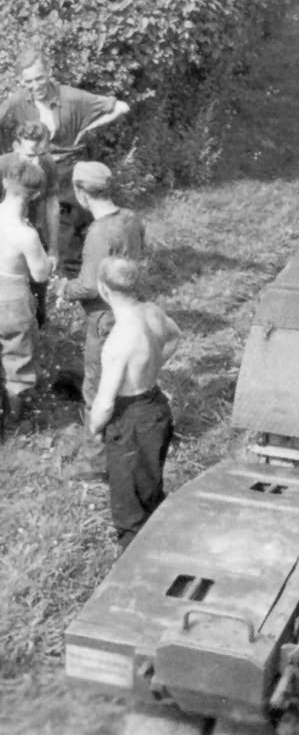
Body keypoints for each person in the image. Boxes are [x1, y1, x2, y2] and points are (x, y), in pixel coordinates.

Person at [0, 47, 130, 272]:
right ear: (22, 81)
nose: (35, 85)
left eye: (39, 78)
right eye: (28, 81)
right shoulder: (18, 101)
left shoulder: (71, 96)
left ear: (49, 72)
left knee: (69, 227)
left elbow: (121, 107)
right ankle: (38, 273)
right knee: (32, 222)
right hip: (34, 169)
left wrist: (88, 129)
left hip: (68, 170)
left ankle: (75, 281)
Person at [59, 161, 145, 479]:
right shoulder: (130, 218)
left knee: (96, 383)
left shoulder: (98, 233)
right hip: (130, 305)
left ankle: (95, 459)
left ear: (82, 193)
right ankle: (128, 433)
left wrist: (63, 288)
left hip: (103, 315)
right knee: (126, 375)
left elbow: (89, 285)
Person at [89, 257, 180, 548]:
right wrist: (153, 367)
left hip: (131, 418)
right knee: (150, 485)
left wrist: (94, 428)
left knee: (129, 508)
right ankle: (160, 544)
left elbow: (104, 403)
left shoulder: (119, 341)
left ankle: (134, 564)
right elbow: (176, 336)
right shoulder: (152, 312)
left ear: (104, 289)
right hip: (156, 406)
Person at [0, 160, 51, 432]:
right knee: (18, 358)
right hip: (12, 299)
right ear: (35, 194)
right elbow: (40, 275)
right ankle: (16, 420)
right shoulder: (26, 234)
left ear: (6, 183)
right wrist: (49, 260)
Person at [0, 121, 59, 328]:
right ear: (16, 146)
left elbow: (52, 204)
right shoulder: (4, 165)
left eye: (38, 155)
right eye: (29, 155)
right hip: (7, 232)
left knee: (38, 286)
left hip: (34, 232)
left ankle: (36, 328)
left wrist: (53, 248)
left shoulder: (48, 164)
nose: (34, 163)